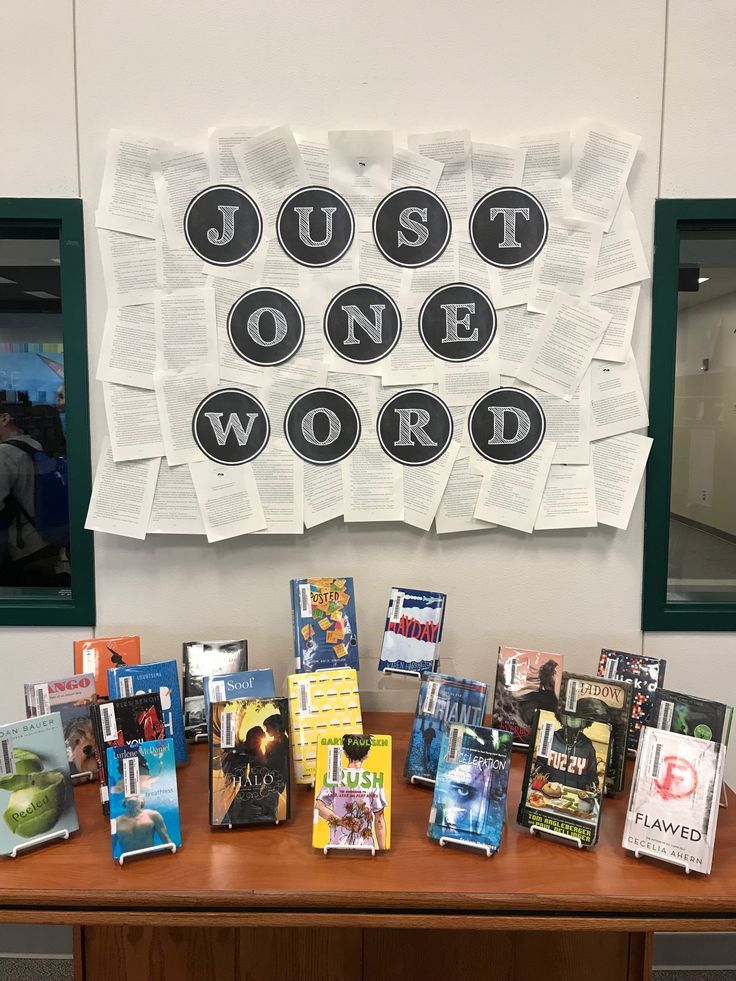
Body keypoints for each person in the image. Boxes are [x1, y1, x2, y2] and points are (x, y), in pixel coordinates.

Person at [0, 399, 61, 585]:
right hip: (46, 540)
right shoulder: (35, 446)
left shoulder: (4, 453)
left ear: (4, 419)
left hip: (20, 549)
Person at [315, 735, 388, 850]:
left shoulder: (334, 777)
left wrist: (342, 822)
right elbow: (379, 821)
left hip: (337, 846)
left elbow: (319, 807)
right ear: (367, 753)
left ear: (345, 752)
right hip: (366, 847)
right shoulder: (374, 780)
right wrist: (383, 852)